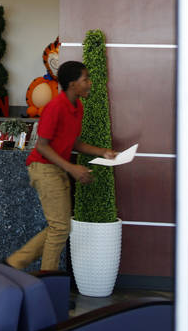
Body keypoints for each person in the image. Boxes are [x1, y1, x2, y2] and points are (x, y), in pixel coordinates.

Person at [6, 60, 116, 271]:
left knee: (60, 227)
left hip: (56, 168)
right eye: (85, 79)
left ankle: (15, 263)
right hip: (44, 168)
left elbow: (73, 142)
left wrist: (103, 152)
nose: (89, 83)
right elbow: (43, 146)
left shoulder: (77, 107)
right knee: (59, 228)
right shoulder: (54, 107)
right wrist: (72, 168)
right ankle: (47, 281)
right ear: (73, 84)